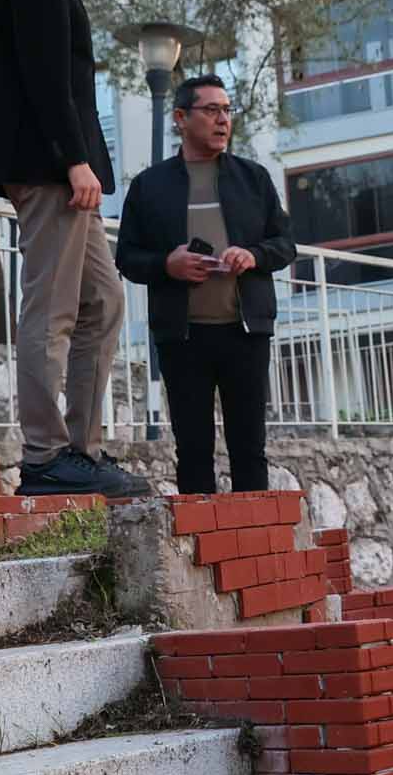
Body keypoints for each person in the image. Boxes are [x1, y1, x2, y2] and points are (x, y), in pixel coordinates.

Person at [0, 0, 149, 497]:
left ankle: (79, 449)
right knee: (52, 306)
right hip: (49, 170)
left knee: (103, 302)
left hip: (59, 167)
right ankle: (45, 457)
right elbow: (45, 75)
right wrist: (74, 159)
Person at [116, 74, 295, 493]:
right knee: (193, 452)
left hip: (245, 332)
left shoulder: (253, 179)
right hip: (182, 337)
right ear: (180, 117)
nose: (223, 120)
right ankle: (200, 549)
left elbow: (285, 244)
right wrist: (168, 264)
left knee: (249, 448)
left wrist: (252, 256)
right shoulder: (149, 186)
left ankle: (255, 547)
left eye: (227, 111)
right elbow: (127, 257)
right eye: (211, 110)